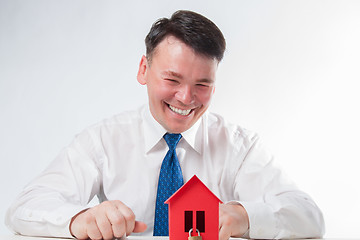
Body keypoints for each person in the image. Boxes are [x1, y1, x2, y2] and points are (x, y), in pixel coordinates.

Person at [5, 10, 325, 240]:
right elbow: (24, 208)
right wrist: (79, 219)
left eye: (202, 84)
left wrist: (242, 216)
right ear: (144, 69)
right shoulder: (102, 141)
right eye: (172, 79)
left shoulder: (240, 146)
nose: (186, 98)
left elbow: (309, 216)